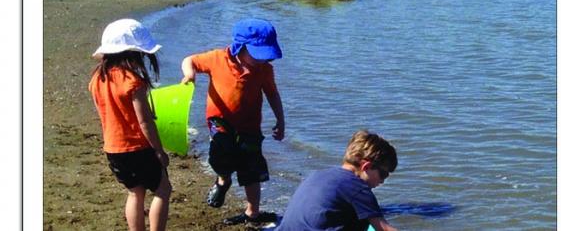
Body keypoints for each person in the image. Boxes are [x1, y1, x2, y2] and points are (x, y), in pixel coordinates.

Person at [180, 18, 285, 225]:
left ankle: (252, 212)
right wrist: (189, 74)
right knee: (221, 155)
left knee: (252, 169)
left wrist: (280, 120)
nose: (262, 60)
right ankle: (223, 180)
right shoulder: (217, 59)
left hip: (250, 126)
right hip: (219, 120)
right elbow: (189, 60)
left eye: (265, 55)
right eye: (257, 55)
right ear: (240, 46)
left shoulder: (264, 70)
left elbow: (272, 94)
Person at [89, 18, 172, 231]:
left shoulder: (97, 78)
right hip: (138, 147)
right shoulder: (133, 81)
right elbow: (144, 121)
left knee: (135, 192)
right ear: (133, 53)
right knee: (163, 189)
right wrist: (159, 151)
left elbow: (105, 112)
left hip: (113, 148)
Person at [277, 130, 398, 231]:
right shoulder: (358, 188)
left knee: (362, 219)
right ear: (366, 167)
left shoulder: (318, 175)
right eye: (383, 174)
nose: (382, 181)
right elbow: (385, 229)